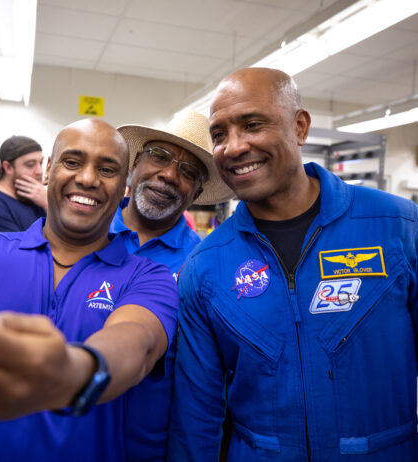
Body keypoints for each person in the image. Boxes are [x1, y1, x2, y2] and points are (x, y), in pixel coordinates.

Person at [0, 118, 179, 462]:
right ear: (48, 170)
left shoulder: (148, 276)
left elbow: (137, 342)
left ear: (125, 187)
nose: (87, 178)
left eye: (108, 169)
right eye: (72, 161)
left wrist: (74, 370)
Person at [167, 67, 418, 461]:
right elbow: (196, 417)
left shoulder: (397, 228)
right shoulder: (205, 268)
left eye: (252, 124)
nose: (233, 147)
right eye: (219, 134)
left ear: (300, 127)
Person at [112, 110, 234, 461]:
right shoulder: (87, 237)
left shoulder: (205, 264)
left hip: (151, 449)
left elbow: (207, 383)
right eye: (160, 156)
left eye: (188, 172)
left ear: (196, 192)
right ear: (135, 162)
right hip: (72, 437)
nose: (168, 175)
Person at [0, 135, 47, 232]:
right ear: (8, 167)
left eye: (41, 163)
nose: (39, 171)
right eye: (30, 165)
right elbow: (18, 246)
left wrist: (47, 204)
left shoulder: (37, 198)